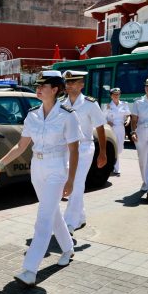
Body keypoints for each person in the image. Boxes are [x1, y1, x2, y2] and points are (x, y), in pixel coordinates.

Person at [0, 70, 81, 286]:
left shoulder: (68, 115)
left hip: (57, 167)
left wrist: (71, 180)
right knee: (52, 212)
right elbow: (21, 146)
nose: (38, 89)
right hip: (37, 167)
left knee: (43, 218)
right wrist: (0, 163)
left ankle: (30, 269)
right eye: (37, 85)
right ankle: (68, 248)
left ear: (55, 89)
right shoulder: (33, 114)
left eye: (43, 85)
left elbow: (74, 150)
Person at [60, 70, 107, 234]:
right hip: (66, 149)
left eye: (73, 82)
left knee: (76, 183)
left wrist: (103, 152)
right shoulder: (61, 104)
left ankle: (69, 223)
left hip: (84, 148)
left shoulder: (90, 103)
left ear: (82, 85)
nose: (70, 85)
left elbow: (100, 127)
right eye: (67, 82)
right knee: (71, 182)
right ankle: (80, 216)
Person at [103, 88, 131, 176]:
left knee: (120, 148)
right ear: (111, 96)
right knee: (114, 147)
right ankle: (116, 168)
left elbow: (128, 115)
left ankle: (112, 163)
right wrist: (107, 122)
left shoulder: (124, 104)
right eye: (114, 94)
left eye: (118, 94)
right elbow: (102, 118)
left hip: (121, 128)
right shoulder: (107, 106)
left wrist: (128, 121)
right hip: (112, 129)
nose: (116, 96)